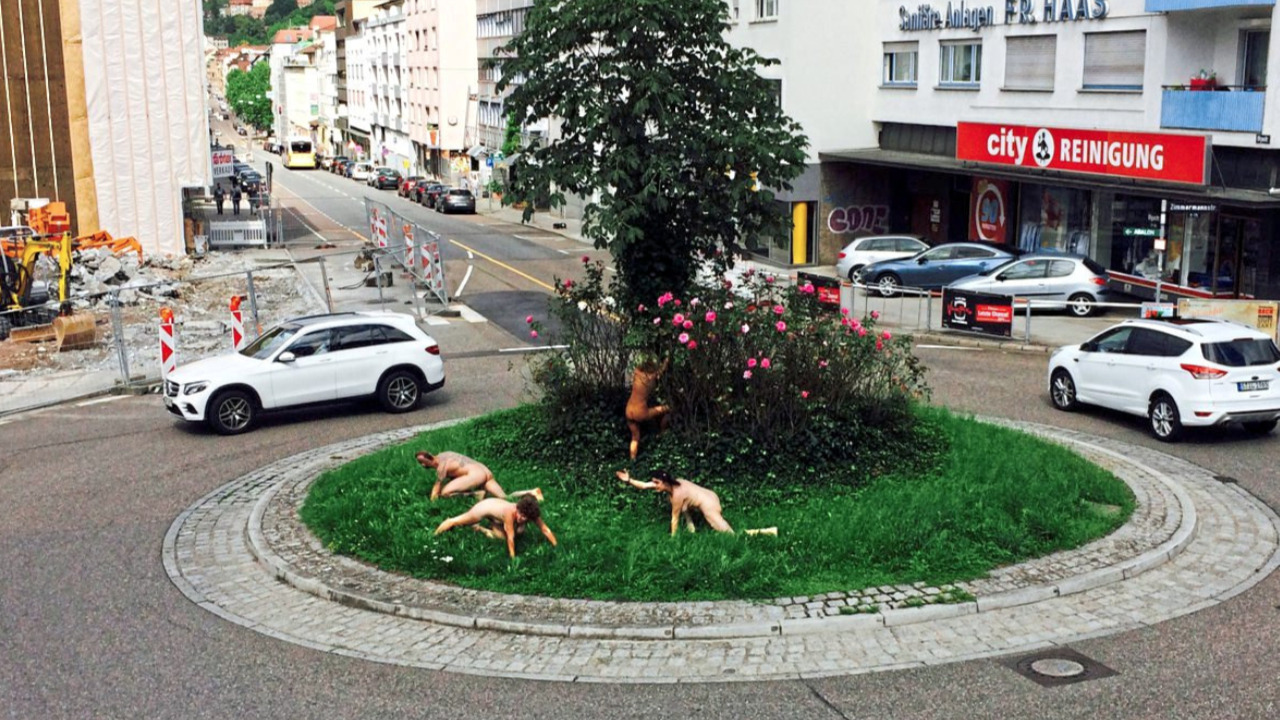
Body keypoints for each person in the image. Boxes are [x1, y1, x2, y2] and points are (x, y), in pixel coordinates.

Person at [616, 469, 733, 535]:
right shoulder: (670, 485)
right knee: (685, 507)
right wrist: (629, 480)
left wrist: (673, 539)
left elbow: (674, 518)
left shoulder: (677, 494)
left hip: (708, 504)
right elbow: (644, 485)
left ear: (665, 482)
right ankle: (691, 529)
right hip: (710, 495)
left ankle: (746, 535)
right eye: (654, 482)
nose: (654, 485)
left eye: (657, 483)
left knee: (728, 533)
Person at [434, 495, 557, 558]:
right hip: (484, 508)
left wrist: (556, 546)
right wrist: (513, 558)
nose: (521, 518)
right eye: (520, 514)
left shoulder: (532, 513)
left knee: (514, 533)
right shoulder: (510, 511)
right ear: (518, 509)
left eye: (525, 517)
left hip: (497, 517)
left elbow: (545, 529)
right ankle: (434, 535)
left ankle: (481, 529)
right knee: (455, 521)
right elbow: (510, 536)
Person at [416, 450, 541, 502]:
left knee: (445, 492)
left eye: (422, 462)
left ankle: (477, 494)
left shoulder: (441, 467)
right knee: (505, 498)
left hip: (476, 475)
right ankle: (533, 492)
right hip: (485, 470)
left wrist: (432, 501)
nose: (422, 465)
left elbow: (435, 495)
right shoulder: (445, 453)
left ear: (430, 458)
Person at [626, 358, 670, 459]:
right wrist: (666, 360)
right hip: (641, 412)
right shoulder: (651, 377)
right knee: (666, 408)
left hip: (629, 410)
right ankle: (662, 433)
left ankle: (632, 460)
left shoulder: (637, 372)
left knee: (635, 438)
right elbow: (661, 371)